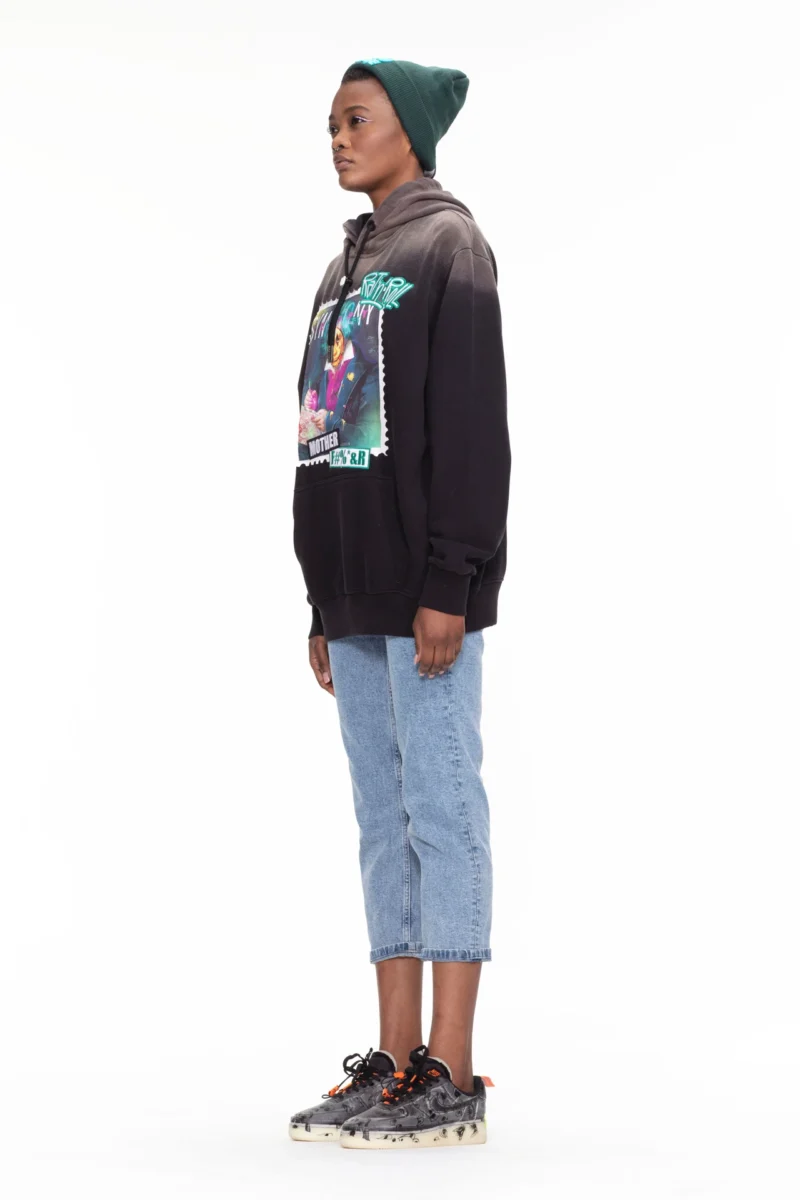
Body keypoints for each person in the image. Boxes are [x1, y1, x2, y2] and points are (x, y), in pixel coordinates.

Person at [289, 58, 511, 1150]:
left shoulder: (447, 246)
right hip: (354, 592)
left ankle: (452, 1074)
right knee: (383, 825)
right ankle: (394, 1064)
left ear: (410, 130)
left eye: (357, 119)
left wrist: (452, 580)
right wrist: (321, 601)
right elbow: (321, 433)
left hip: (427, 592)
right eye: (330, 122)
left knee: (441, 812)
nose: (337, 137)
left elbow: (471, 429)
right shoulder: (345, 268)